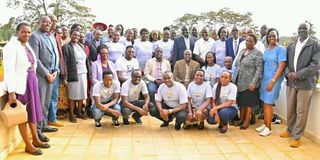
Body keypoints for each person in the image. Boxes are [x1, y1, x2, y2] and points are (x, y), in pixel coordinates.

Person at [3, 22, 50, 155]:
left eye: (29, 32)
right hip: (20, 87)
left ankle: (35, 139)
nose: (27, 34)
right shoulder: (11, 47)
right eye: (24, 32)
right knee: (22, 115)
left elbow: (32, 64)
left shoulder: (26, 45)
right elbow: (9, 71)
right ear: (17, 32)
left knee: (32, 112)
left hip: (31, 83)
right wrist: (11, 91)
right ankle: (28, 145)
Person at [280, 22, 320, 147]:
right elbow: (285, 63)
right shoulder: (292, 45)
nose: (302, 30)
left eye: (305, 28)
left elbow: (315, 65)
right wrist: (288, 74)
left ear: (309, 30)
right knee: (290, 109)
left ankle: (297, 136)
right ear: (297, 30)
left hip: (305, 83)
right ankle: (289, 130)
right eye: (300, 28)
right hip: (291, 82)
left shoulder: (315, 44)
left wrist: (298, 74)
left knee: (301, 111)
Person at [29, 15, 58, 142]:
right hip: (41, 76)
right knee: (40, 104)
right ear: (39, 22)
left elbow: (55, 54)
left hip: (52, 74)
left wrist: (56, 70)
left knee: (46, 103)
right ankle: (38, 131)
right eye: (44, 21)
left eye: (49, 22)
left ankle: (44, 124)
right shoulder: (35, 36)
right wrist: (47, 74)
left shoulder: (50, 36)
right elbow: (36, 58)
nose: (47, 24)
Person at [256, 28, 286, 136]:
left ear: (278, 36)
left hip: (274, 79)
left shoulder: (281, 49)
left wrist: (273, 81)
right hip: (265, 78)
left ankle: (268, 128)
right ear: (267, 38)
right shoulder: (267, 49)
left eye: (274, 35)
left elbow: (281, 67)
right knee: (264, 102)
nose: (272, 38)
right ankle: (265, 124)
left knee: (268, 102)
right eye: (270, 36)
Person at [233, 34, 263, 130]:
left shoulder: (258, 53)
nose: (248, 42)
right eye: (247, 40)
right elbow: (237, 65)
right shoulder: (242, 51)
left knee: (248, 103)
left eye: (250, 41)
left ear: (255, 43)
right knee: (241, 103)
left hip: (250, 83)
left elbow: (259, 69)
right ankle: (241, 119)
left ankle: (246, 121)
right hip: (239, 82)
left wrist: (253, 82)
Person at [63, 29, 91, 123]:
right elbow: (65, 63)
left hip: (83, 73)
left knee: (82, 94)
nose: (76, 37)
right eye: (74, 35)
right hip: (73, 74)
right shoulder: (66, 47)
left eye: (78, 36)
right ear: (71, 35)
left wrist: (89, 74)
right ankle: (72, 113)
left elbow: (86, 60)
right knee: (72, 95)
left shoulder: (81, 46)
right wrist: (65, 77)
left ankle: (79, 112)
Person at [47, 15, 66, 127]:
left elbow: (59, 54)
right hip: (46, 72)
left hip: (56, 70)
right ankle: (44, 121)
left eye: (55, 21)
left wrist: (60, 70)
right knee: (45, 97)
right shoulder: (43, 35)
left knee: (54, 96)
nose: (53, 23)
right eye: (51, 21)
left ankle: (52, 118)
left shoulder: (56, 36)